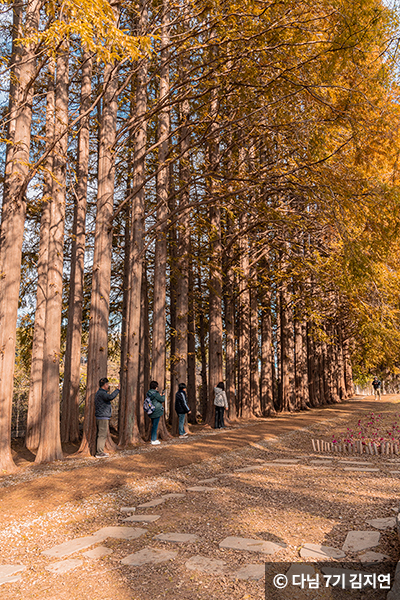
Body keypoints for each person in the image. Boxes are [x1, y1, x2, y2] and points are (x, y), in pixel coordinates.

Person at [95, 377, 119, 458]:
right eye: (107, 384)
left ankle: (100, 451)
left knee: (101, 434)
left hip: (101, 416)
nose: (108, 385)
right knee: (102, 435)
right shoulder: (102, 393)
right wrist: (117, 390)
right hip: (102, 417)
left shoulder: (100, 393)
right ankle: (99, 453)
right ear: (104, 385)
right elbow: (110, 397)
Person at [146, 381, 165, 445]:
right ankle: (153, 439)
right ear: (155, 387)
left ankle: (153, 439)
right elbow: (162, 400)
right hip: (156, 411)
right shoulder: (155, 394)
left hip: (151, 410)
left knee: (153, 425)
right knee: (155, 426)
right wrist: (163, 395)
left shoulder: (148, 393)